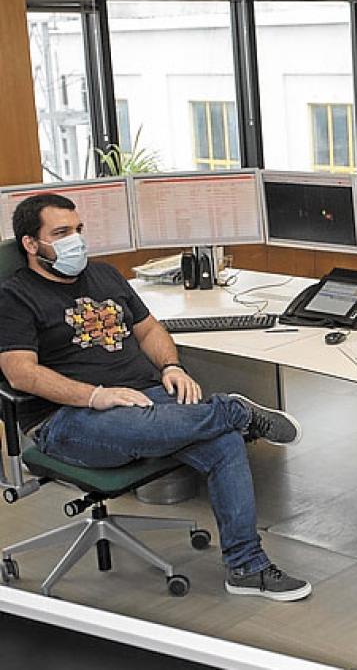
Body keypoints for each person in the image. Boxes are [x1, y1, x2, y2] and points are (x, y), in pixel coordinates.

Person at [0, 193, 312, 602]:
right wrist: (95, 396)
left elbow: (148, 329)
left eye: (78, 230)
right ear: (30, 243)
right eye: (61, 233)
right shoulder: (14, 296)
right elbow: (19, 372)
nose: (76, 240)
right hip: (68, 418)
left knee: (223, 442)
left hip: (146, 396)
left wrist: (171, 367)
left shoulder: (105, 275)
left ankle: (246, 567)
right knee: (195, 424)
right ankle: (234, 411)